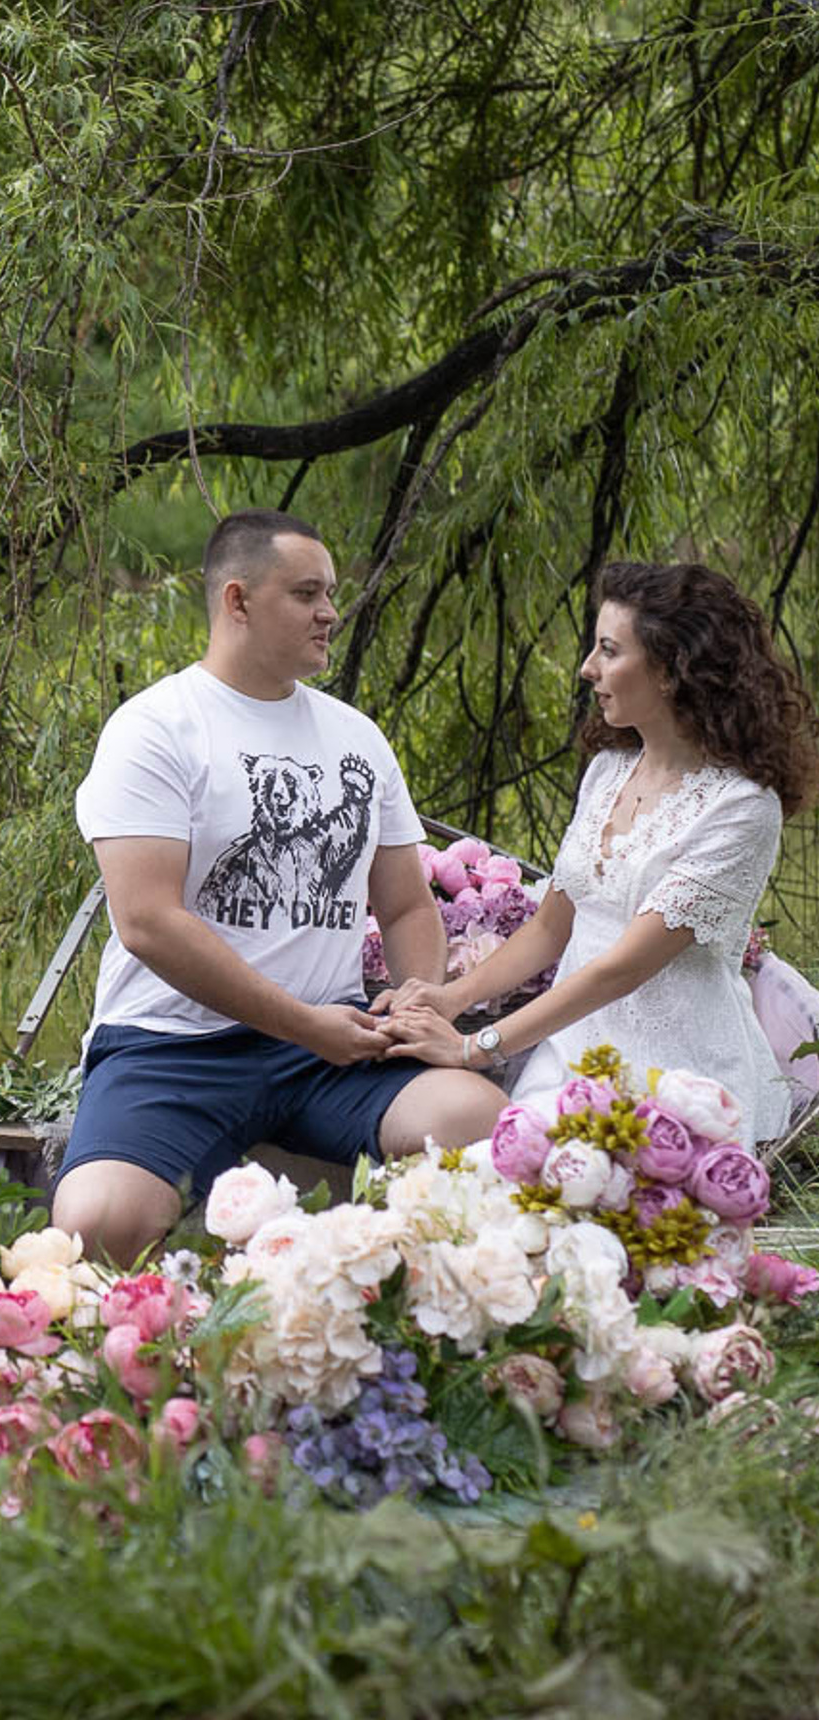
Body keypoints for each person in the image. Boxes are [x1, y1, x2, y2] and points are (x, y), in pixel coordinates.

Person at [49, 510, 508, 1263]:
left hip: (331, 1051)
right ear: (238, 601)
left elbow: (403, 902)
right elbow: (148, 922)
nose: (331, 612)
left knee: (479, 1127)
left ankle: (409, 1329)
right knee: (95, 1223)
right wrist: (302, 1021)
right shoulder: (157, 729)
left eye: (330, 593)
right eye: (306, 594)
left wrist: (417, 996)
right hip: (174, 1049)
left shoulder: (356, 736)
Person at [377, 561, 819, 1149]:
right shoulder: (608, 773)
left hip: (678, 1082)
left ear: (670, 668)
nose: (587, 669)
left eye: (609, 650)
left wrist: (472, 1047)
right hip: (570, 1051)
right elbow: (549, 929)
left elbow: (624, 967)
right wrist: (451, 997)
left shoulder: (741, 807)